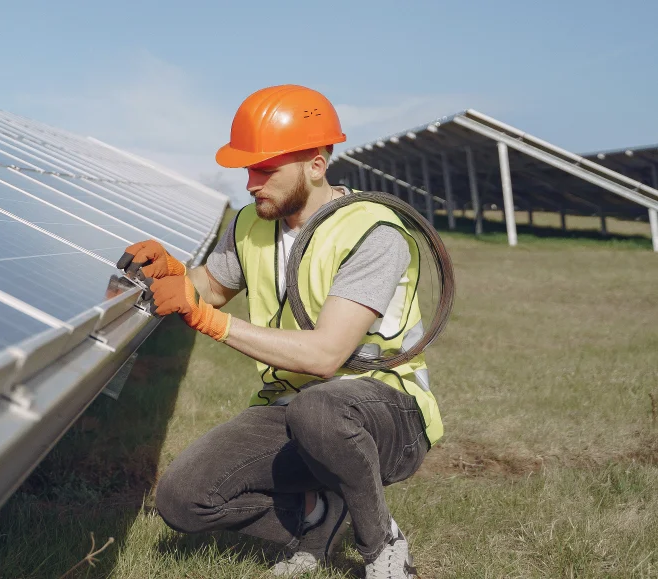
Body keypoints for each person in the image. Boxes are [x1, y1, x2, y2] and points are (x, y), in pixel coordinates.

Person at [120, 85, 442, 579]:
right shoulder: (250, 222)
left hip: (385, 412)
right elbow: (210, 287)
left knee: (322, 407)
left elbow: (325, 356)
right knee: (182, 500)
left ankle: (382, 550)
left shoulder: (374, 232)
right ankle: (317, 520)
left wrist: (207, 320)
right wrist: (174, 274)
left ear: (315, 164)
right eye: (247, 169)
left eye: (266, 168)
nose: (251, 183)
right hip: (291, 407)